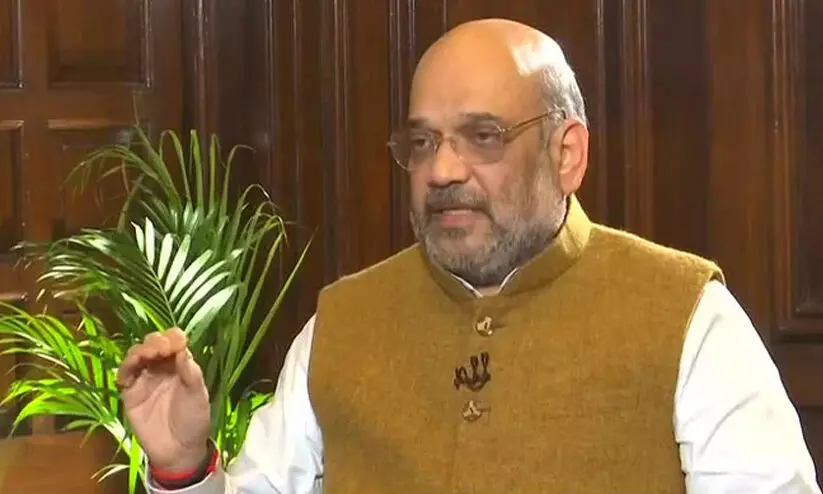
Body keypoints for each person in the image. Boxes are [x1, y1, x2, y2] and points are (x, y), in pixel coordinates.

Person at [117, 18, 821, 494]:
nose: (442, 170)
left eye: (483, 136)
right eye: (422, 142)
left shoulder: (686, 316)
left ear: (566, 153)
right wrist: (183, 468)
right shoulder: (342, 324)